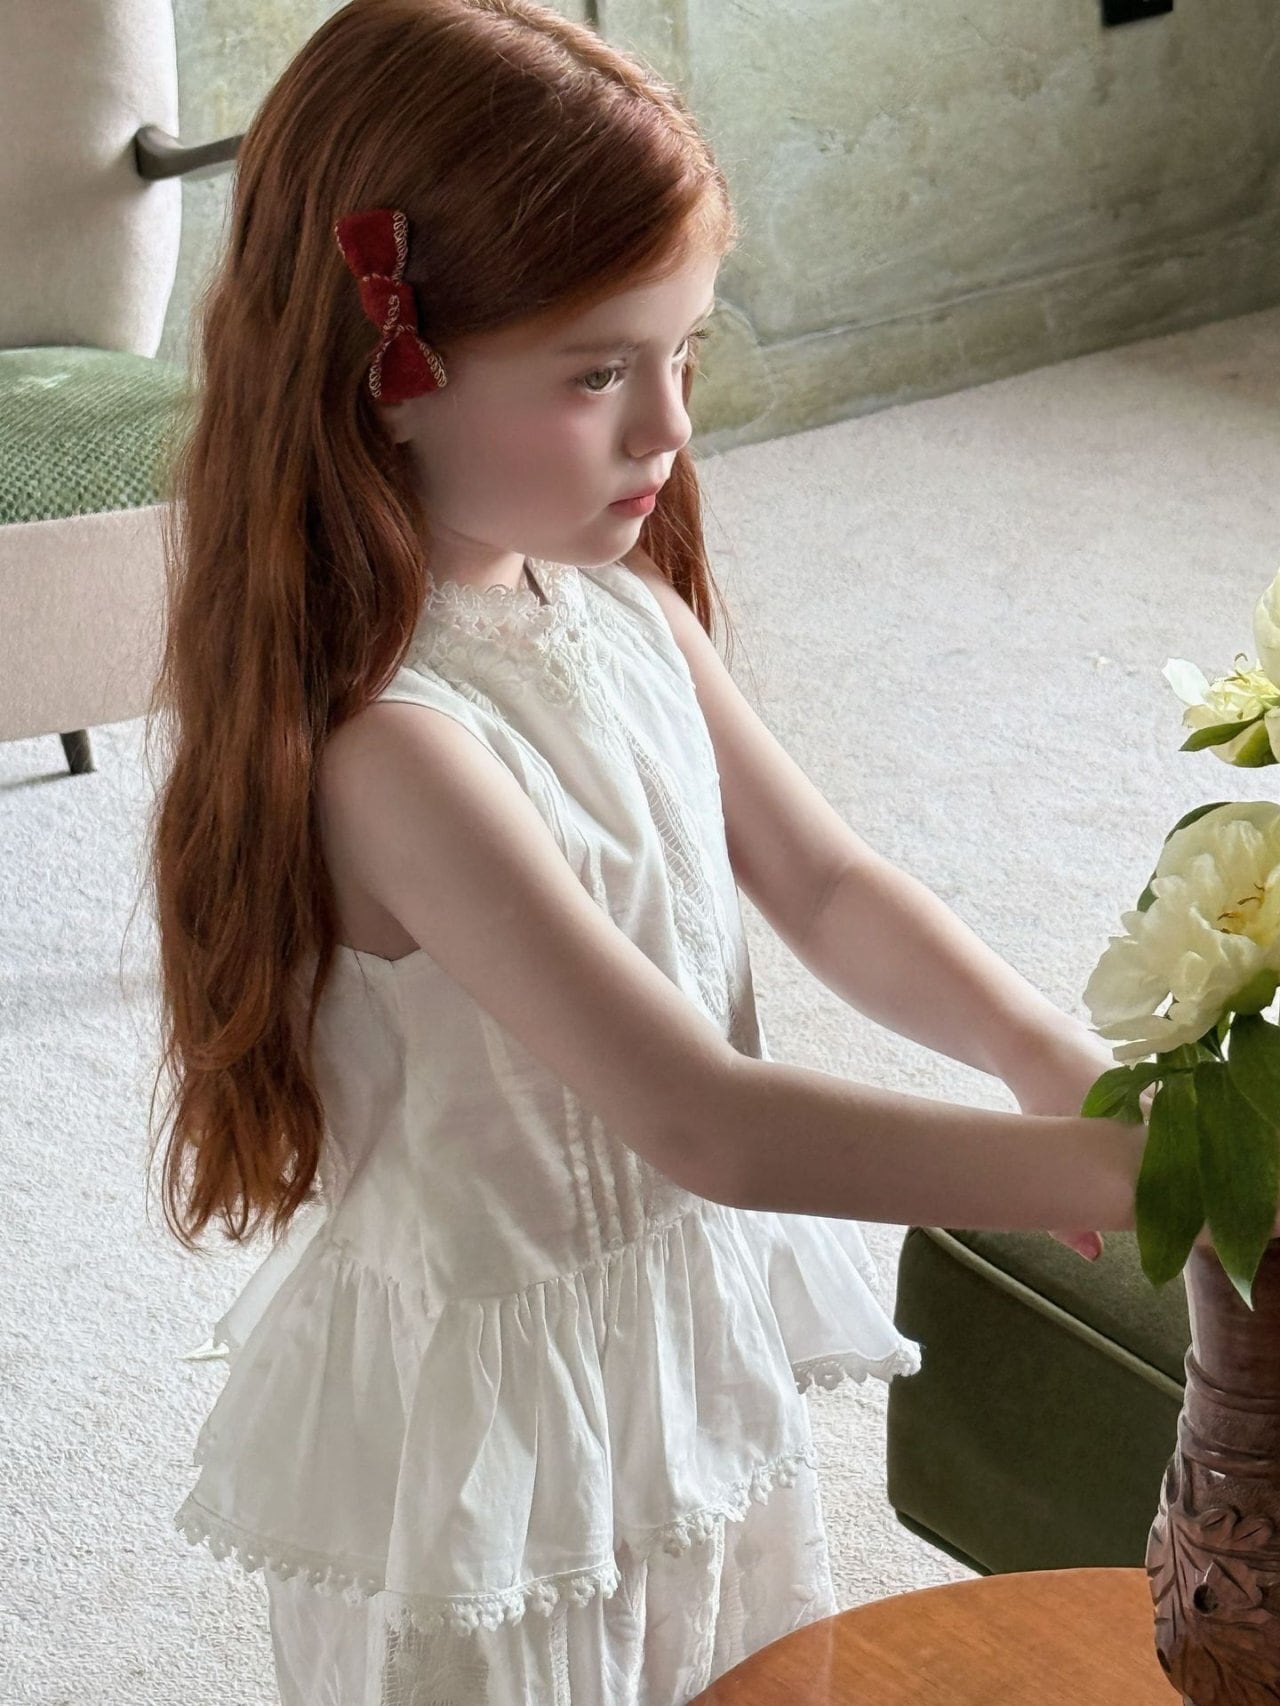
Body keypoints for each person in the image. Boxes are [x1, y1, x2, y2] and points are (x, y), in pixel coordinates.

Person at [148, 2, 1150, 1700]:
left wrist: (1039, 1048)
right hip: (507, 1440)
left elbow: (826, 884)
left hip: (675, 1349)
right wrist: (1102, 1179)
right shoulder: (399, 754)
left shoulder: (621, 613)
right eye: (597, 371)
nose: (668, 427)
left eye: (684, 353)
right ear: (389, 374)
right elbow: (708, 1121)